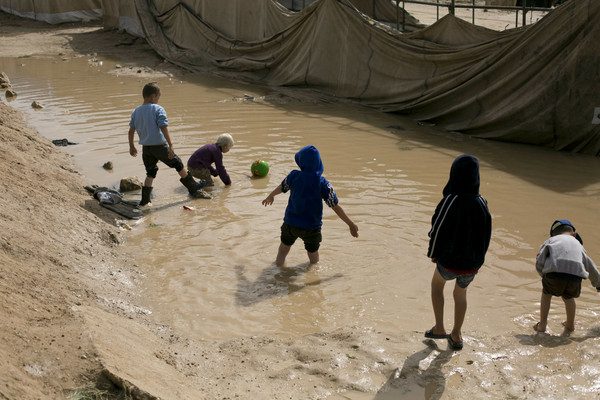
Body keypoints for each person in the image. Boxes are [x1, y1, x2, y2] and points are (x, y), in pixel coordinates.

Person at [425, 154, 492, 350]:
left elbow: (437, 229)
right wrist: (479, 261)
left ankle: (439, 328)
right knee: (461, 294)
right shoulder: (482, 202)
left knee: (437, 285)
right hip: (472, 264)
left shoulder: (451, 200)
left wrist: (433, 253)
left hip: (449, 260)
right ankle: (456, 334)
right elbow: (486, 233)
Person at [261, 145, 358, 266]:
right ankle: (313, 276)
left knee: (283, 248)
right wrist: (350, 224)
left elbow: (282, 187)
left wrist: (271, 195)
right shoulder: (323, 183)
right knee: (313, 254)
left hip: (290, 224)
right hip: (311, 227)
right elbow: (335, 206)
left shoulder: (294, 176)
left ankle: (277, 268)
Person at [128, 82, 205, 206]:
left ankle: (145, 200)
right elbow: (163, 127)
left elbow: (131, 131)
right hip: (159, 146)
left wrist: (131, 146)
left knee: (150, 172)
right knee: (178, 163)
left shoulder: (136, 111)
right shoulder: (158, 109)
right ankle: (192, 186)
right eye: (158, 97)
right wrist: (171, 145)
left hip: (146, 148)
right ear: (153, 96)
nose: (158, 100)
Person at [533, 219, 600, 334]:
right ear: (574, 234)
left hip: (554, 274)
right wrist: (598, 283)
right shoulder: (579, 245)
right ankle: (570, 325)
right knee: (568, 297)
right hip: (575, 277)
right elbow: (589, 265)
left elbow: (540, 260)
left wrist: (543, 275)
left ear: (552, 234)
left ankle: (542, 325)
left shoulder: (550, 241)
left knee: (546, 294)